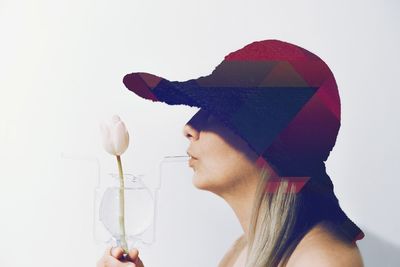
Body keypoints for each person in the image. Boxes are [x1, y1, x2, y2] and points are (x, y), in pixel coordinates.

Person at [97, 39, 365, 267]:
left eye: (216, 112)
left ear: (267, 143)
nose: (189, 127)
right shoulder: (244, 250)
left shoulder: (320, 261)